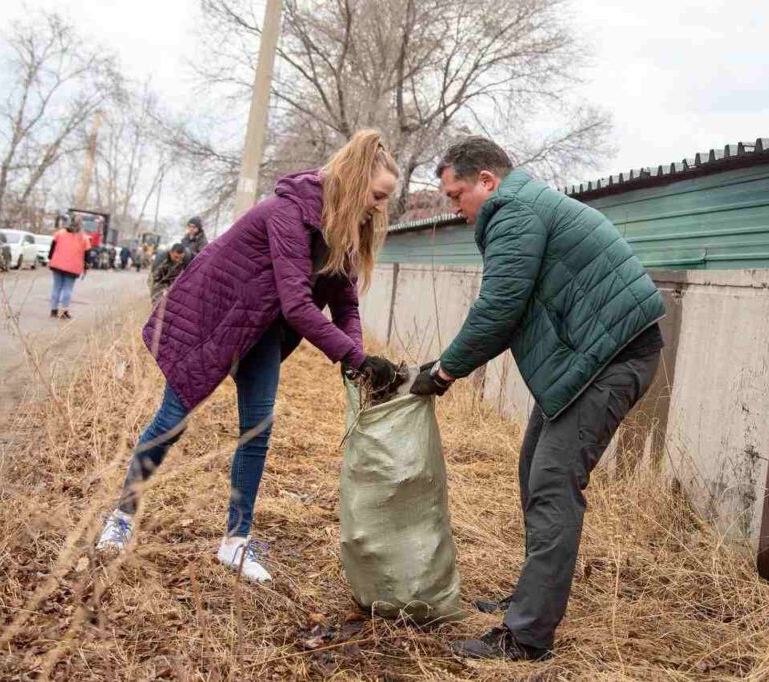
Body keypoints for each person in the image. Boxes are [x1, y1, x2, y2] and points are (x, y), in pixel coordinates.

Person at [95, 130, 401, 584]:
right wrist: (353, 358)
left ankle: (235, 542)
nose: (379, 206)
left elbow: (346, 304)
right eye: (377, 195)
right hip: (211, 323)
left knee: (257, 429)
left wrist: (356, 359)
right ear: (356, 181)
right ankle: (121, 518)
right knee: (171, 421)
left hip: (262, 333)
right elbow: (298, 303)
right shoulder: (288, 212)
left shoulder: (344, 228)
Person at [410, 137, 666, 661]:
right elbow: (512, 307)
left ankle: (526, 637)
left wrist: (444, 371)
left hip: (612, 357)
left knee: (552, 483)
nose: (457, 211)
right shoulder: (523, 205)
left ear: (487, 181)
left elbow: (501, 306)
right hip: (593, 357)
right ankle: (531, 598)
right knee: (534, 468)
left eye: (457, 196)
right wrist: (446, 365)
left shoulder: (512, 210)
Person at [48, 215, 90, 319]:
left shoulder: (59, 234)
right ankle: (63, 312)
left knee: (56, 287)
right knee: (67, 289)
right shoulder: (84, 238)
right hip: (73, 268)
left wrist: (50, 259)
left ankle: (53, 310)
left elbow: (52, 249)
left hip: (57, 264)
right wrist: (86, 268)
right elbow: (87, 256)